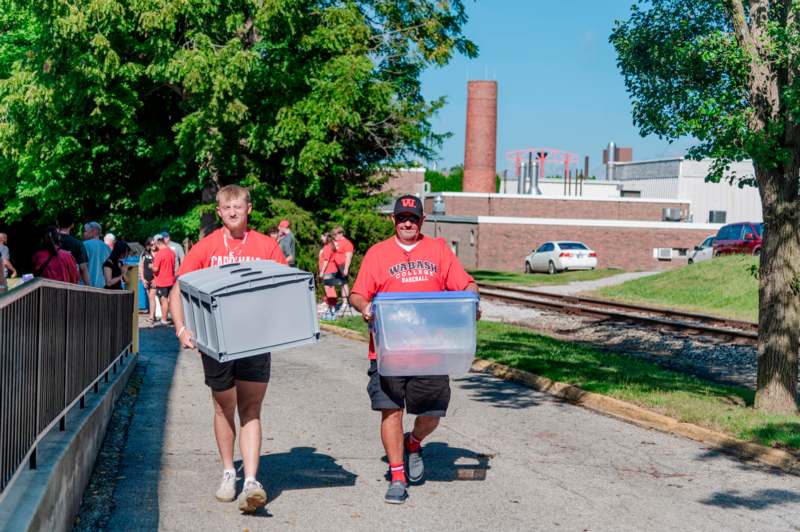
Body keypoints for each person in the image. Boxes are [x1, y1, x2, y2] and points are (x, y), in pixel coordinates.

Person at [349, 194, 480, 505]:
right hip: (388, 350)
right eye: (401, 218)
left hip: (430, 350)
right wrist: (365, 307)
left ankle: (414, 442)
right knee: (391, 410)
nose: (407, 223)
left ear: (422, 221)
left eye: (413, 218)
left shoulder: (438, 250)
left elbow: (466, 284)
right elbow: (357, 293)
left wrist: (473, 300)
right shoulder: (378, 253)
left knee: (432, 412)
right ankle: (397, 476)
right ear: (393, 220)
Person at [169, 184, 286, 514]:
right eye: (226, 207)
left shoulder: (266, 246)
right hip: (216, 342)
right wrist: (181, 328)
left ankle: (251, 480)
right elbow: (179, 288)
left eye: (239, 206)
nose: (233, 212)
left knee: (251, 408)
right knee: (223, 407)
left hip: (255, 341)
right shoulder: (206, 247)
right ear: (218, 212)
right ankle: (227, 472)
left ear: (249, 208)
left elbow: (282, 289)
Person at [56, 209, 91, 285]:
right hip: (70, 286)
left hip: (48, 285)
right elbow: (83, 268)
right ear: (72, 225)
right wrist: (89, 287)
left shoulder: (49, 241)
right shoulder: (78, 244)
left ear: (57, 222)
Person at [151, 234, 176, 325]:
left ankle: (164, 319)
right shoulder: (171, 252)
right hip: (171, 280)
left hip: (162, 281)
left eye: (154, 244)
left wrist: (151, 266)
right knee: (171, 300)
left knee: (164, 300)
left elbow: (156, 269)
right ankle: (174, 319)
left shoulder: (159, 254)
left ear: (157, 243)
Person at [318, 232, 340, 320]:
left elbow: (326, 260)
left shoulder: (327, 247)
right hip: (331, 270)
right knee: (330, 290)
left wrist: (322, 271)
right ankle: (331, 309)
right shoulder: (329, 246)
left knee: (329, 291)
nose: (321, 238)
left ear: (326, 237)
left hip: (328, 271)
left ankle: (332, 312)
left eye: (322, 237)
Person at [83, 222, 111, 288]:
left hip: (86, 288)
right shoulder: (107, 248)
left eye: (85, 231)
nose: (83, 234)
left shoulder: (84, 245)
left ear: (93, 231)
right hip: (103, 287)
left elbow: (81, 267)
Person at [332, 226, 354, 308]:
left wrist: (346, 268)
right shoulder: (334, 242)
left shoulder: (347, 243)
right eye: (333, 235)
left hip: (342, 266)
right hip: (333, 265)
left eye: (336, 234)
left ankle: (345, 303)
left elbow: (348, 256)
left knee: (343, 284)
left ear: (341, 233)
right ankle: (332, 302)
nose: (334, 236)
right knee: (330, 283)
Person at [139, 237, 157, 325]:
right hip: (146, 279)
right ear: (148, 245)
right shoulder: (144, 254)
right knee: (150, 297)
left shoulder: (158, 253)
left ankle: (151, 317)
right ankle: (153, 315)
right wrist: (142, 279)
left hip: (155, 279)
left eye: (154, 244)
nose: (153, 246)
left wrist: (156, 279)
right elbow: (141, 267)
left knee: (152, 297)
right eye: (151, 244)